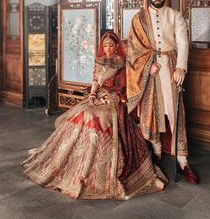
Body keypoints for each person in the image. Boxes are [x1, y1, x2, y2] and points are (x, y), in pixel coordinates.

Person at [21, 31, 167, 199]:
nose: (108, 49)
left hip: (114, 100)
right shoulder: (98, 61)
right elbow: (96, 81)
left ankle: (97, 165)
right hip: (97, 96)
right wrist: (92, 95)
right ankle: (73, 159)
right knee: (83, 112)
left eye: (111, 45)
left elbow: (124, 86)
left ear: (117, 46)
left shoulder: (122, 63)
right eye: (105, 46)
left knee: (93, 117)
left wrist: (110, 98)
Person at [126, 0, 199, 184]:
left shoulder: (175, 16)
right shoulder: (139, 19)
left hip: (170, 70)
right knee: (152, 114)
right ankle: (156, 152)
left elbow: (183, 43)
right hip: (151, 74)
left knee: (175, 114)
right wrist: (149, 65)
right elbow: (133, 49)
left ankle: (183, 161)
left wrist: (180, 67)